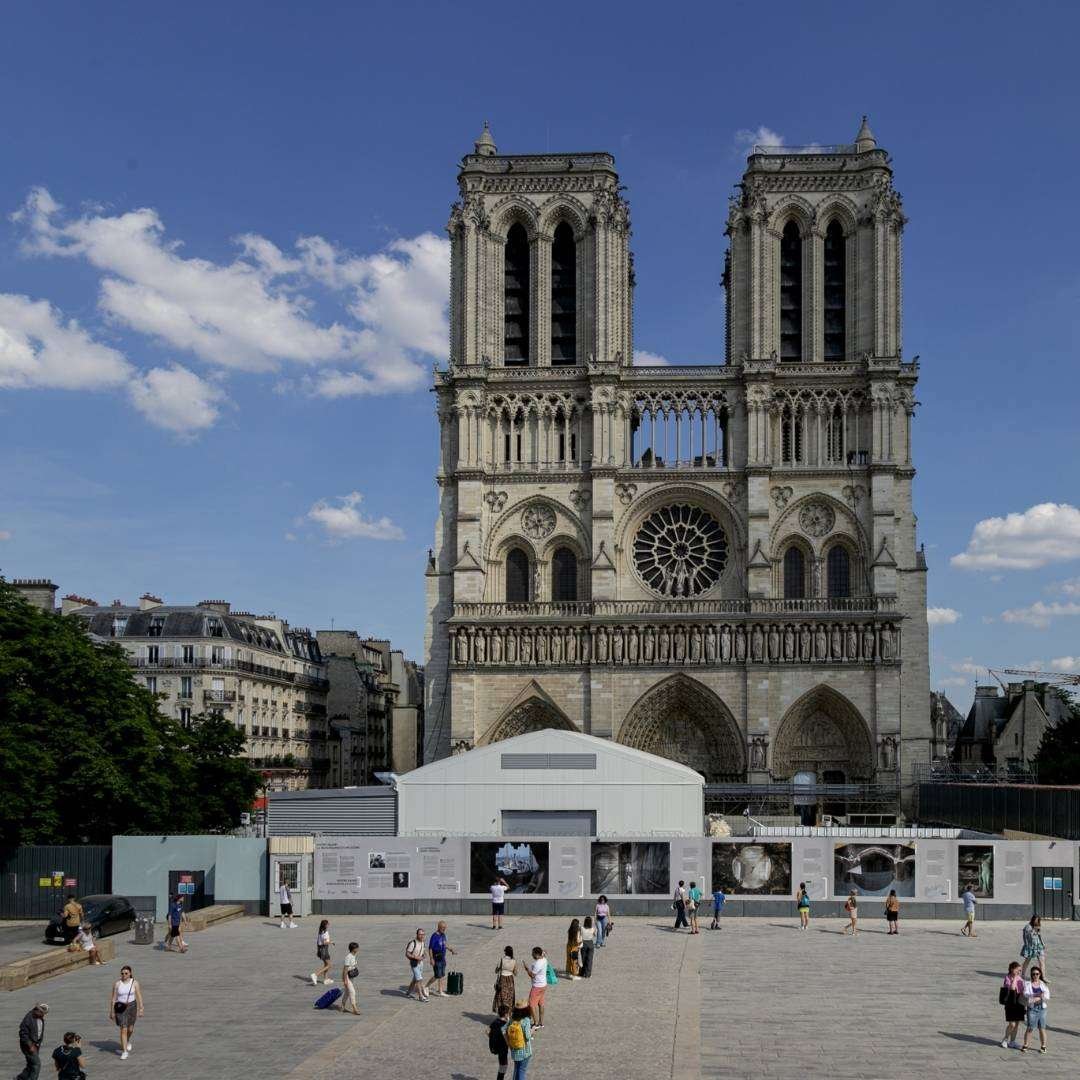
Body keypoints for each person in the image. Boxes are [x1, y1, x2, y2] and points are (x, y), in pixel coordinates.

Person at [109, 965, 143, 1060]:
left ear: (130, 973)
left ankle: (127, 1041)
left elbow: (139, 995)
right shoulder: (117, 984)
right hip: (120, 1007)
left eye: (126, 973)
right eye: (122, 973)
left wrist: (141, 1008)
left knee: (130, 1029)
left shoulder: (135, 983)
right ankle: (124, 1051)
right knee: (123, 1028)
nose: (124, 975)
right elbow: (113, 998)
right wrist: (111, 1011)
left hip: (132, 1006)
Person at [1019, 966, 1049, 1054]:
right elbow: (1026, 994)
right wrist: (1038, 995)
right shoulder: (1028, 984)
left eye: (1037, 974)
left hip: (1042, 1009)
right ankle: (1026, 1045)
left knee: (1042, 1028)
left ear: (1040, 974)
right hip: (1032, 1008)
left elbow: (1047, 996)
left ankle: (1043, 1046)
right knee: (1030, 1027)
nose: (1035, 975)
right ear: (1031, 975)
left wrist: (1038, 998)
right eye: (1033, 974)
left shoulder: (1043, 984)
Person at [503, 1002, 534, 1079]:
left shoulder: (512, 1019)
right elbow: (527, 1036)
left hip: (514, 1050)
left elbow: (503, 1030)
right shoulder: (526, 1020)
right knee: (522, 1070)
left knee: (516, 1069)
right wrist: (533, 1030)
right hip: (525, 1051)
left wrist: (509, 1044)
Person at [16, 1003, 47, 1080]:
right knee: (37, 1064)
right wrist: (30, 1045)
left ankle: (21, 1078)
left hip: (36, 1044)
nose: (43, 1015)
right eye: (42, 1013)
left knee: (31, 1064)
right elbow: (23, 1034)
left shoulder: (38, 1017)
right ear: (37, 1010)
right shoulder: (28, 1019)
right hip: (28, 1046)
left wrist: (38, 1043)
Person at [426, 920, 456, 997]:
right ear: (438, 927)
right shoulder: (434, 936)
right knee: (438, 975)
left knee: (441, 975)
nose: (444, 929)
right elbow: (430, 948)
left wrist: (451, 949)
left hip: (442, 958)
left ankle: (437, 989)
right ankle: (429, 987)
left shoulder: (443, 935)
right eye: (443, 928)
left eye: (445, 928)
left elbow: (444, 944)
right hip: (436, 958)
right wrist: (431, 958)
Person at [1000, 961, 1025, 1049]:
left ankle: (1012, 1041)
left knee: (1017, 1023)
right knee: (1012, 1024)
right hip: (1010, 1002)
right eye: (1018, 970)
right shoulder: (1007, 978)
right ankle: (1005, 1039)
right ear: (1012, 969)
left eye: (1020, 971)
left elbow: (1022, 991)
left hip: (1019, 1002)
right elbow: (1012, 989)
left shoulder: (1020, 979)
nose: (1019, 972)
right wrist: (1014, 978)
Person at [492, 945, 520, 1014]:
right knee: (510, 997)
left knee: (501, 997)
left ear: (505, 952)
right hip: (510, 979)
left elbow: (496, 971)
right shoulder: (514, 961)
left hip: (502, 979)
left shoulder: (502, 959)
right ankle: (508, 1014)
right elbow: (516, 973)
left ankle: (502, 1014)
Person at [405, 928, 429, 1001]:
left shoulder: (422, 942)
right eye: (420, 934)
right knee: (419, 979)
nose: (421, 936)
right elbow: (407, 953)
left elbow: (424, 950)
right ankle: (421, 996)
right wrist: (415, 957)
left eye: (423, 934)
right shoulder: (413, 943)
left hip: (420, 963)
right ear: (417, 935)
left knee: (415, 979)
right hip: (414, 964)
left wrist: (425, 956)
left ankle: (408, 992)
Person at [527, 947, 547, 1029]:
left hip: (537, 986)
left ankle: (535, 1023)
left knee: (531, 1005)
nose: (532, 955)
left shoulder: (538, 963)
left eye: (533, 953)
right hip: (544, 985)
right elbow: (545, 954)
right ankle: (541, 1022)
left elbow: (532, 975)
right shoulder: (544, 959)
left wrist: (527, 969)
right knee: (541, 1004)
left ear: (537, 954)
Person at [489, 1004, 510, 1079]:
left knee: (502, 1065)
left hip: (496, 1046)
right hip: (503, 1047)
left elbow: (488, 1031)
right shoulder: (505, 1024)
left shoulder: (495, 1022)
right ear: (506, 1014)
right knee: (503, 1066)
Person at [311, 919, 334, 985]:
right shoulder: (325, 932)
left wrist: (318, 950)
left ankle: (326, 979)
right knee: (329, 965)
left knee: (326, 964)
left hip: (321, 949)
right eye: (328, 924)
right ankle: (315, 974)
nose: (329, 925)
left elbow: (318, 942)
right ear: (326, 925)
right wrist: (331, 942)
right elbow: (325, 942)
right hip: (324, 950)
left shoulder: (320, 932)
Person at [340, 941, 360, 1016]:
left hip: (351, 976)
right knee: (352, 992)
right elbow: (345, 969)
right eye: (357, 947)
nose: (358, 949)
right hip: (347, 976)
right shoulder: (348, 957)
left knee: (347, 992)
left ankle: (342, 1006)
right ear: (353, 949)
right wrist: (345, 980)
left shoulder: (354, 955)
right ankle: (355, 1009)